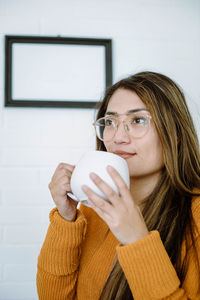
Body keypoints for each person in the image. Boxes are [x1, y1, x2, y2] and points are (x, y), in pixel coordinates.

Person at [37, 71, 200, 299]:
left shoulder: (196, 215)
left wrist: (137, 240)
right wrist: (66, 220)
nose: (117, 138)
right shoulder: (93, 207)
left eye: (138, 120)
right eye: (111, 122)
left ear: (174, 131)